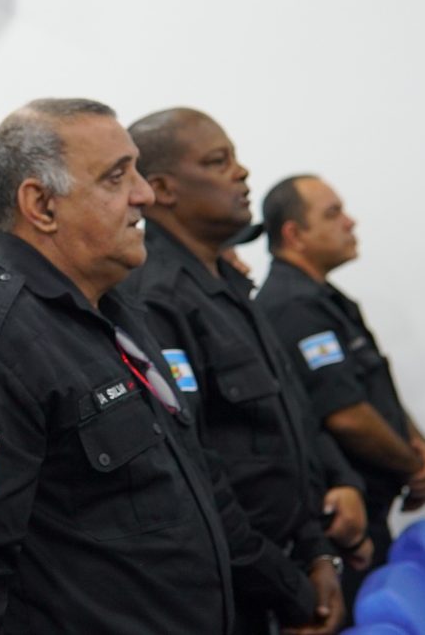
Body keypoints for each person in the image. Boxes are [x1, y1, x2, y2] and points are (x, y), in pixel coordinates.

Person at [0, 99, 236, 633]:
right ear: (41, 205)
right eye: (116, 177)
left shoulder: (116, 314)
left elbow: (193, 480)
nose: (145, 195)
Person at [122, 108, 367, 634]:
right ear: (162, 189)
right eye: (218, 162)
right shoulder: (155, 298)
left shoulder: (230, 284)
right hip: (238, 592)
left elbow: (292, 416)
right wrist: (292, 587)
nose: (242, 172)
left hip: (292, 564)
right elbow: (198, 471)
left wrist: (317, 548)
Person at [256, 174, 425, 610]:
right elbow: (345, 415)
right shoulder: (292, 306)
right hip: (346, 522)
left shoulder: (324, 298)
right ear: (295, 235)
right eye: (333, 214)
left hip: (374, 507)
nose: (350, 222)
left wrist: (418, 445)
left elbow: (373, 388)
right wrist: (413, 465)